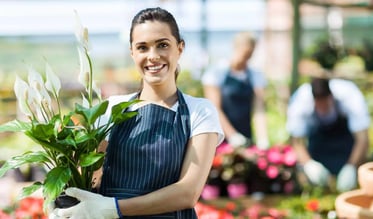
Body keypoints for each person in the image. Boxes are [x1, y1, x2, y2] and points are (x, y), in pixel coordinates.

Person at [51, 7, 224, 219]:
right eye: (143, 47)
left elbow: (188, 193)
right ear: (132, 53)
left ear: (180, 48)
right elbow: (93, 178)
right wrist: (63, 197)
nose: (153, 56)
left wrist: (114, 208)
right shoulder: (112, 109)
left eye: (162, 45)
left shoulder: (199, 111)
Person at [286, 75, 370, 192]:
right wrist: (309, 164)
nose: (323, 107)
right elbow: (296, 141)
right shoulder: (300, 101)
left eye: (325, 103)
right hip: (318, 144)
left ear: (331, 97)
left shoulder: (350, 95)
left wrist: (351, 166)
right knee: (315, 184)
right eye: (319, 104)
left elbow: (362, 139)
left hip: (345, 144)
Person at [201, 31, 269, 149]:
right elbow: (214, 108)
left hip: (245, 135)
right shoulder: (216, 73)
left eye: (250, 55)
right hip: (220, 138)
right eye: (245, 54)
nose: (246, 59)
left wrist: (262, 138)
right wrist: (232, 135)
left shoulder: (255, 75)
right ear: (236, 48)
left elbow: (259, 109)